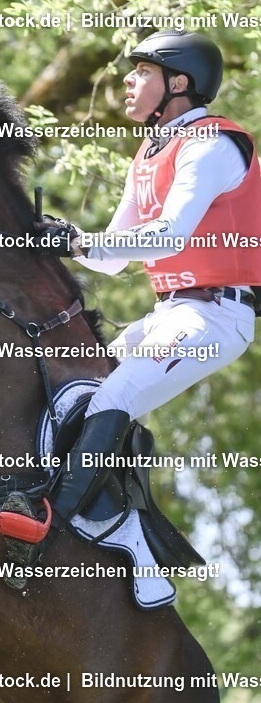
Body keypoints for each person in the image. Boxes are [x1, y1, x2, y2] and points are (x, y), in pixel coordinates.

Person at [40, 29, 261, 524]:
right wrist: (62, 236)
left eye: (143, 72)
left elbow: (166, 237)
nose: (128, 81)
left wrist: (78, 242)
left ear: (179, 83)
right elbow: (112, 258)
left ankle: (48, 522)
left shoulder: (212, 143)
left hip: (216, 318)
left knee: (113, 395)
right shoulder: (149, 154)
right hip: (169, 313)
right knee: (75, 385)